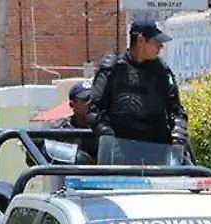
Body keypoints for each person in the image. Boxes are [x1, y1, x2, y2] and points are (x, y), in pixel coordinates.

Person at [87, 20, 188, 163]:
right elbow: (94, 110)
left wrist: (178, 134)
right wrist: (107, 136)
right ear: (141, 40)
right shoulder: (112, 68)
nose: (161, 46)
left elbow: (177, 111)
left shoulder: (162, 71)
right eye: (156, 42)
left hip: (156, 151)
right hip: (118, 152)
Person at [50, 82, 99, 162]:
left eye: (93, 98)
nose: (91, 103)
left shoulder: (105, 128)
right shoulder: (61, 132)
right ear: (72, 104)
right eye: (85, 99)